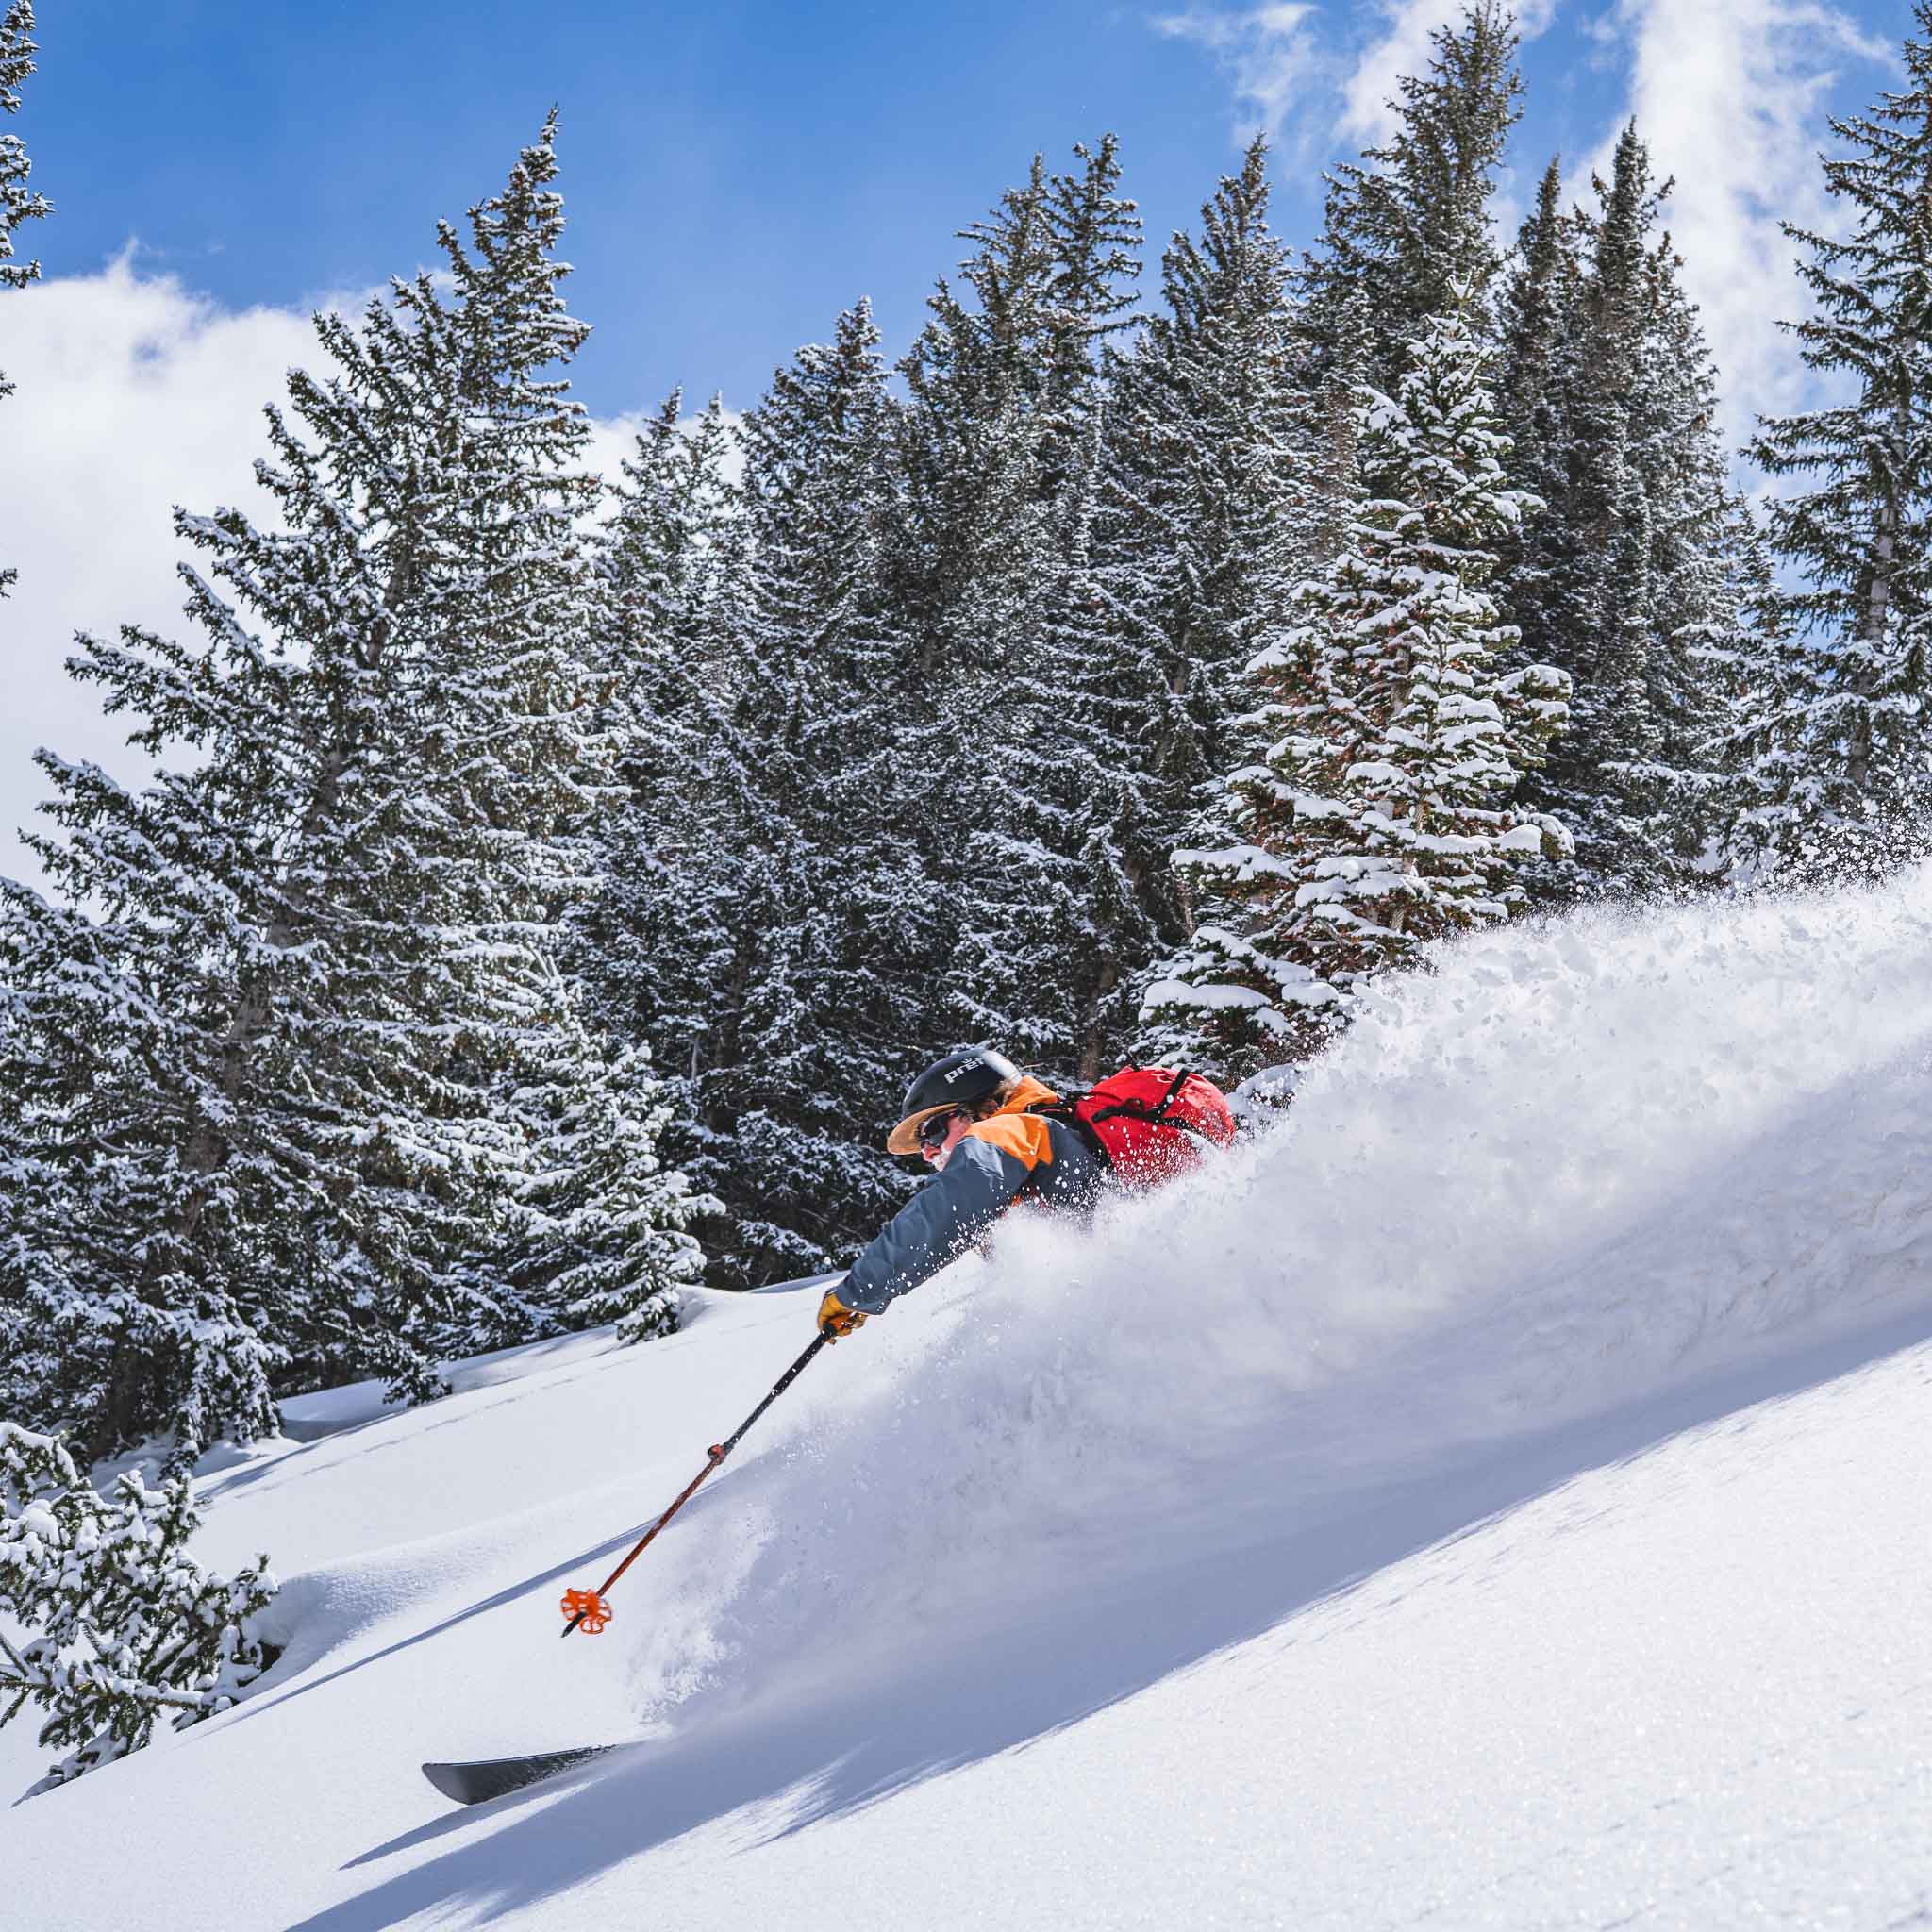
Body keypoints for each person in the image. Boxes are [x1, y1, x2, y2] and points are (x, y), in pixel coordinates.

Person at [816, 1047, 1104, 1339]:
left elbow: (940, 1216)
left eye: (933, 1131)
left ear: (985, 1108)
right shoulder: (1035, 1159)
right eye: (922, 1145)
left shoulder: (1009, 1133)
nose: (927, 1153)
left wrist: (859, 1291)